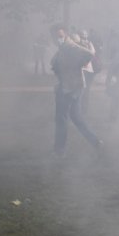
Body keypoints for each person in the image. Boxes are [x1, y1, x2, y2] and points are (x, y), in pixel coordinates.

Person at [49, 24, 103, 157]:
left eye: (60, 36)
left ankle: (59, 150)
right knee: (76, 117)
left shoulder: (69, 46)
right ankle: (96, 142)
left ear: (65, 34)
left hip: (71, 87)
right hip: (71, 86)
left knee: (61, 118)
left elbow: (89, 54)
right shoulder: (63, 48)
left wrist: (77, 66)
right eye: (55, 37)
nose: (57, 39)